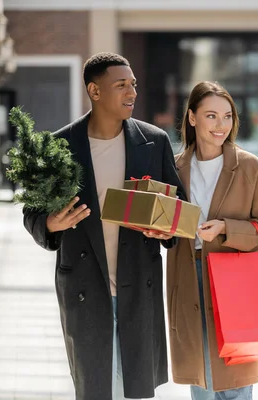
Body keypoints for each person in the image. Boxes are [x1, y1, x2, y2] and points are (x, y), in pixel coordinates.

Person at [22, 52, 184, 400]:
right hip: (83, 284)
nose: (132, 92)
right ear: (95, 92)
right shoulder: (59, 146)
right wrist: (52, 223)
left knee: (135, 388)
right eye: (121, 85)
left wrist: (167, 230)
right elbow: (32, 213)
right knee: (94, 387)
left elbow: (178, 208)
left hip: (139, 282)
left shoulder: (154, 141)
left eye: (134, 85)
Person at [166, 81, 258, 400]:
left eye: (227, 116)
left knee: (235, 383)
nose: (222, 126)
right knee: (201, 381)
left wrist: (226, 229)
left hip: (236, 284)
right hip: (189, 279)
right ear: (192, 118)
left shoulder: (249, 168)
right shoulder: (175, 169)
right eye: (211, 116)